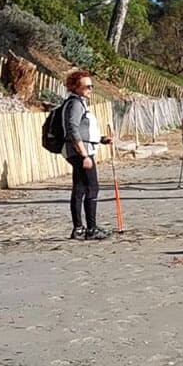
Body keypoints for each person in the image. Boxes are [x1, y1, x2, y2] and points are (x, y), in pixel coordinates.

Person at [60, 69, 112, 239]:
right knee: (91, 187)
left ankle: (79, 228)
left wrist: (102, 139)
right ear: (76, 87)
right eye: (87, 87)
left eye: (92, 86)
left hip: (79, 150)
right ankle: (91, 228)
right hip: (80, 152)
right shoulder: (75, 104)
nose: (91, 89)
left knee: (80, 188)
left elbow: (83, 130)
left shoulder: (77, 103)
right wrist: (84, 155)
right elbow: (73, 129)